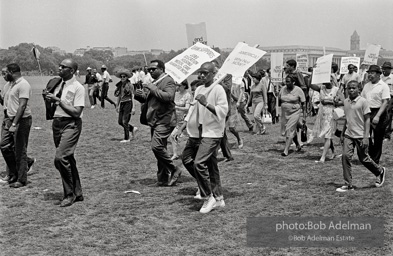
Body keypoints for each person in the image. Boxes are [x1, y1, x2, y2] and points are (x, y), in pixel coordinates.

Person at [175, 62, 228, 213]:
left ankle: (207, 196)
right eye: (201, 73)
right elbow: (192, 110)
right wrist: (184, 126)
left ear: (213, 74)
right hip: (200, 132)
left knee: (199, 162)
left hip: (213, 133)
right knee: (209, 165)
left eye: (206, 73)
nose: (202, 75)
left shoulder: (218, 89)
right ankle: (219, 198)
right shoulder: (199, 88)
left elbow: (223, 112)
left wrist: (206, 103)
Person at [44, 58, 85, 207]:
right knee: (68, 158)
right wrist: (48, 98)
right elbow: (53, 104)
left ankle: (69, 194)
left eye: (63, 67)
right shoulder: (56, 83)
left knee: (60, 158)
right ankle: (77, 192)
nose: (59, 68)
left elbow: (76, 112)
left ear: (72, 71)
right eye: (59, 65)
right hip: (57, 123)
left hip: (71, 124)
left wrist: (58, 100)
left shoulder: (78, 87)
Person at [134, 60, 180, 186]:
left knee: (157, 146)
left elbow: (168, 97)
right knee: (161, 149)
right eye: (149, 69)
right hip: (155, 119)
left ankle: (174, 169)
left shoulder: (168, 81)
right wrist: (139, 96)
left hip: (165, 120)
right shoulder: (155, 82)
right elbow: (150, 98)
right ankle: (162, 179)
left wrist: (152, 88)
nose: (150, 71)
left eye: (153, 69)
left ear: (161, 69)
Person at [336, 81, 386, 192]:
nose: (351, 90)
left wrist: (366, 137)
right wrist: (343, 133)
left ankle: (379, 171)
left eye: (353, 88)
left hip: (360, 135)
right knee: (345, 156)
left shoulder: (363, 102)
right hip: (349, 134)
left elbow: (367, 120)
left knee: (364, 158)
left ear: (359, 89)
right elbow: (347, 119)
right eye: (349, 88)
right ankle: (348, 184)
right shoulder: (346, 101)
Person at [0, 63, 33, 188]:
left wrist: (14, 123)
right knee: (4, 145)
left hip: (21, 120)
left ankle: (21, 179)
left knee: (20, 150)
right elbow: (7, 102)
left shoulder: (23, 85)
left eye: (5, 73)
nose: (3, 75)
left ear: (12, 72)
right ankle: (14, 172)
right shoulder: (9, 85)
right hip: (8, 118)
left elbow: (22, 106)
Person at [360, 65, 390, 164]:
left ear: (378, 74)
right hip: (368, 111)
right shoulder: (366, 85)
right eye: (369, 73)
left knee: (377, 137)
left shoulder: (383, 86)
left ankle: (375, 159)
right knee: (366, 135)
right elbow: (362, 99)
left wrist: (377, 116)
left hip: (378, 112)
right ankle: (370, 155)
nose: (370, 75)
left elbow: (385, 102)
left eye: (372, 73)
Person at [309, 74, 339, 162]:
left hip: (331, 115)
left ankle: (322, 157)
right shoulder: (321, 88)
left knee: (327, 135)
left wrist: (332, 101)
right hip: (322, 115)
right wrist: (313, 73)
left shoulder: (336, 90)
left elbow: (343, 101)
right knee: (326, 135)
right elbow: (310, 84)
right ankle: (333, 151)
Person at [279, 75, 306, 156]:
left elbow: (303, 103)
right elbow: (280, 99)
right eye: (285, 81)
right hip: (285, 113)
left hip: (295, 112)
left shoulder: (298, 90)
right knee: (291, 129)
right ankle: (298, 144)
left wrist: (304, 116)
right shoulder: (283, 89)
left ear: (293, 82)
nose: (286, 83)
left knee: (289, 130)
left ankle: (286, 150)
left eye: (288, 81)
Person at [169, 80, 192, 160]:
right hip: (177, 121)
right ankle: (175, 154)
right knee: (173, 136)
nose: (177, 87)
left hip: (185, 120)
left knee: (187, 138)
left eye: (179, 85)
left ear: (184, 86)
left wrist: (177, 107)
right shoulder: (176, 94)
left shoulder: (187, 95)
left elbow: (187, 108)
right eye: (177, 85)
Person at [114, 69, 137, 143]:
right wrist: (117, 105)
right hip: (122, 103)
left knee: (125, 121)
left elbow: (132, 96)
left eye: (124, 76)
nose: (122, 78)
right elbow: (119, 96)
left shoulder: (130, 85)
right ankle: (132, 128)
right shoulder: (120, 85)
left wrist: (133, 107)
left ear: (127, 77)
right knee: (120, 121)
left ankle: (127, 138)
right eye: (121, 76)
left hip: (128, 103)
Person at [381, 62, 393, 140]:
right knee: (382, 115)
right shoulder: (380, 77)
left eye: (386, 69)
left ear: (390, 69)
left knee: (388, 115)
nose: (384, 70)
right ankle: (381, 132)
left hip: (390, 98)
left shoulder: (392, 78)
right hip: (381, 98)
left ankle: (387, 134)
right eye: (383, 68)